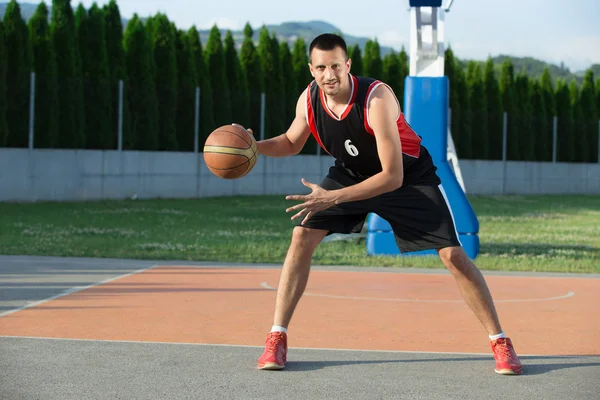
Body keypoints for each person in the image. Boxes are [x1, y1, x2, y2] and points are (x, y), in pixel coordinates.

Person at [237, 33, 522, 375]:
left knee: (454, 256)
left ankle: (500, 341)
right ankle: (276, 337)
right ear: (311, 70)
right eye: (322, 68)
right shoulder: (309, 99)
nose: (330, 75)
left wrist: (333, 197)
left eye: (336, 66)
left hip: (409, 177)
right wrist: (253, 145)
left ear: (348, 66)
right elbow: (290, 142)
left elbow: (391, 177)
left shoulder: (376, 98)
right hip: (350, 172)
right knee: (301, 237)